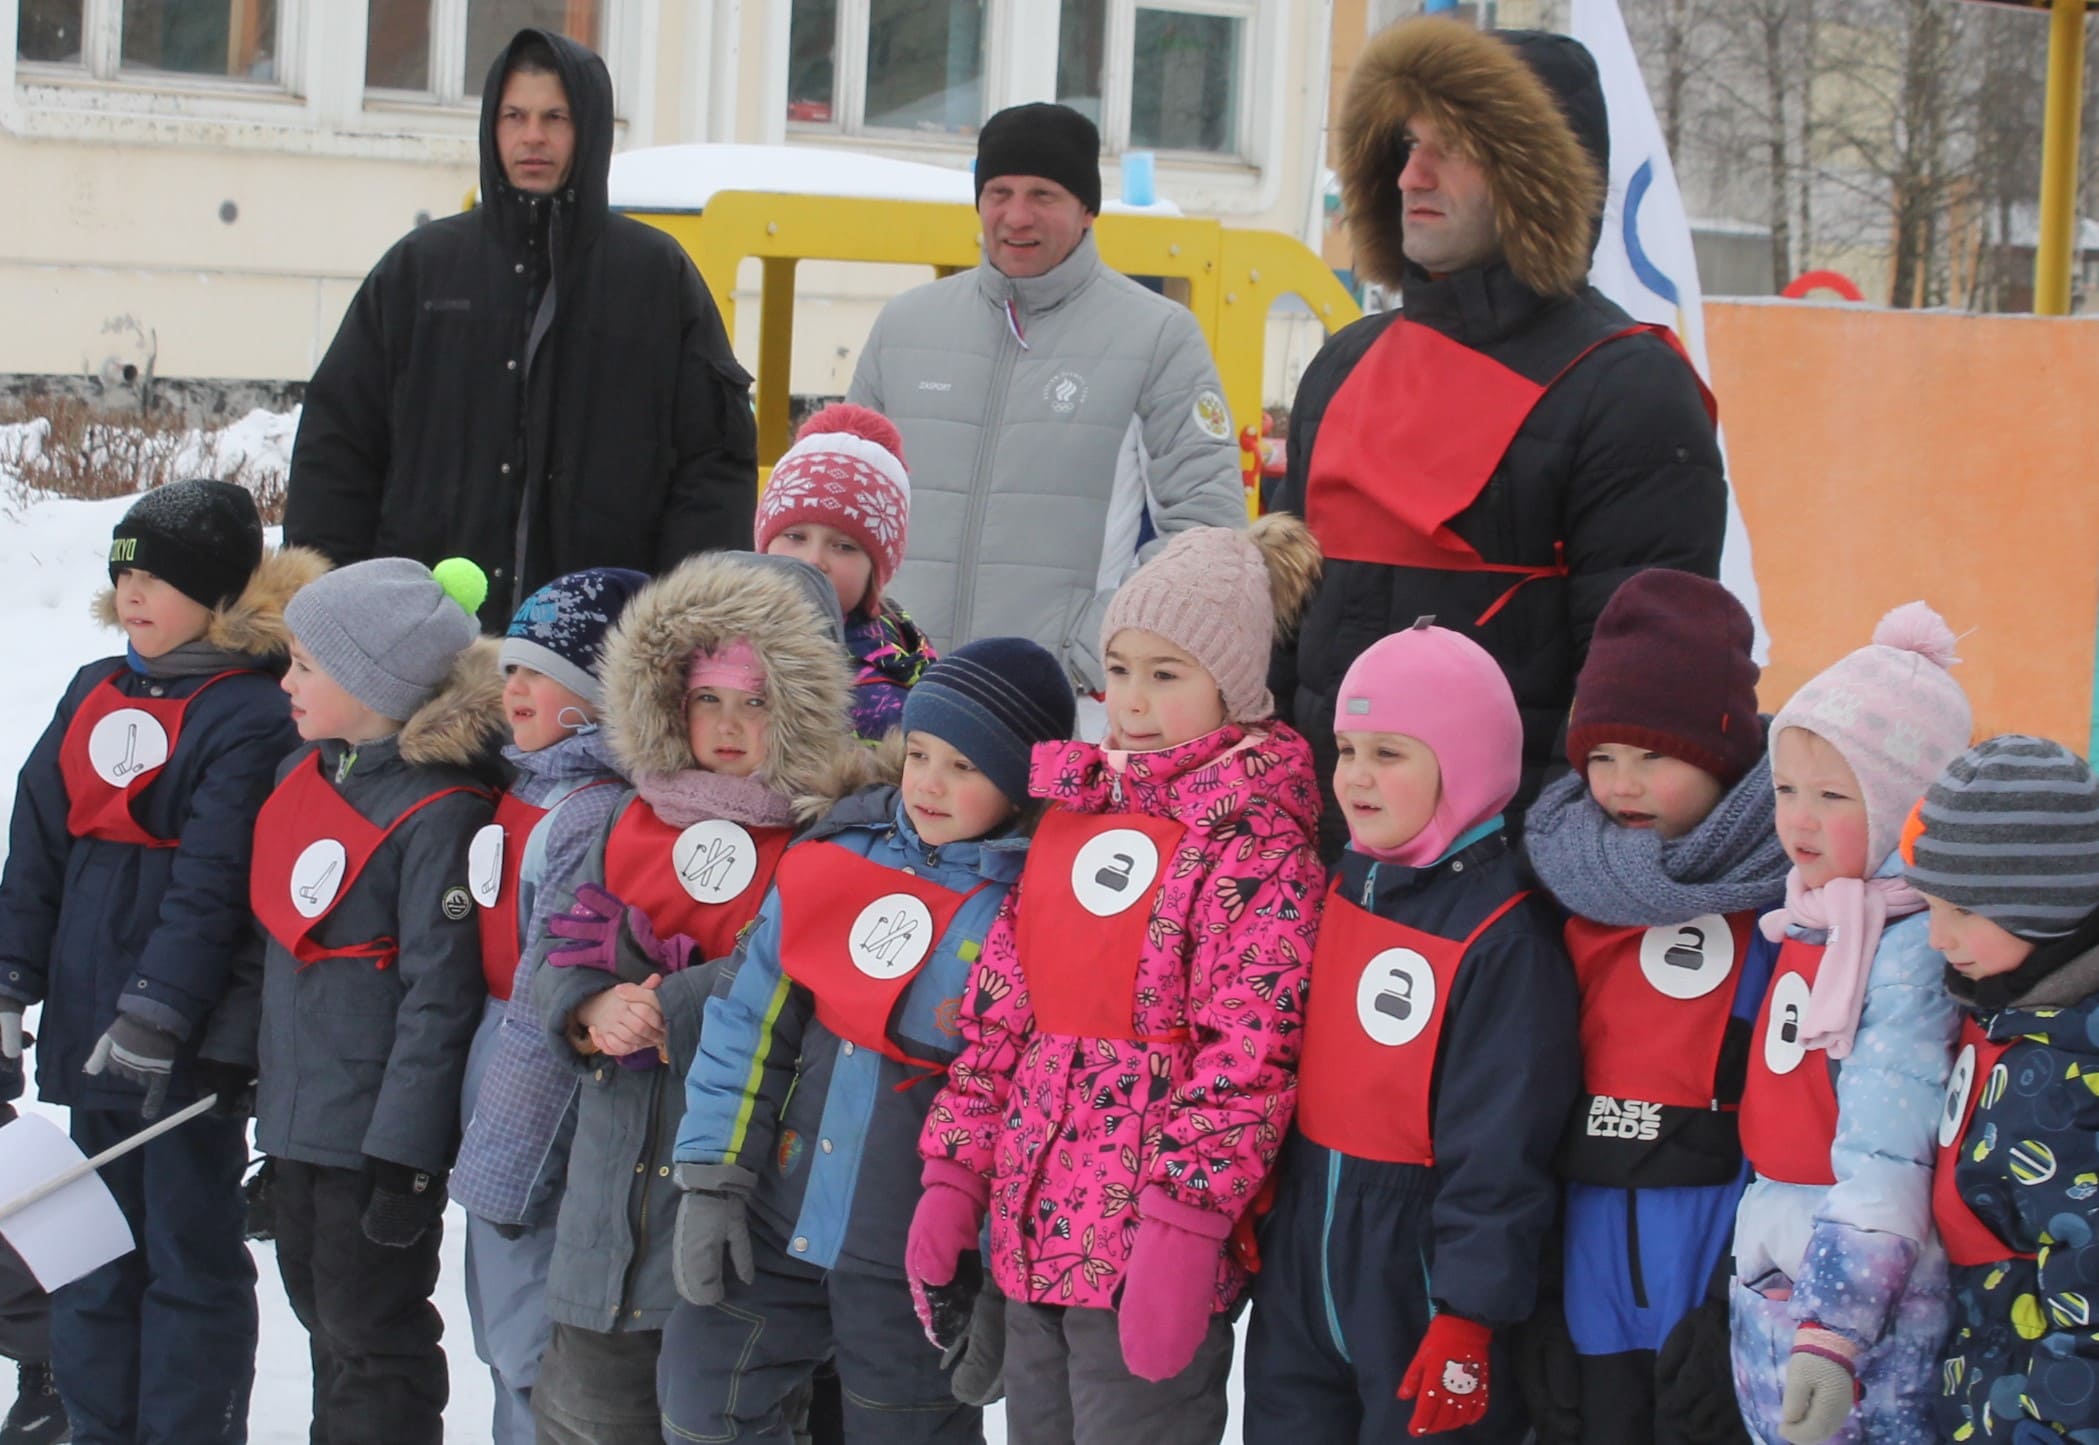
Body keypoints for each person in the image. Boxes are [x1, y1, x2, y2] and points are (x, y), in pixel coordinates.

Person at [906, 516, 1326, 1444]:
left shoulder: (1254, 845)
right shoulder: (1077, 815)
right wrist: (956, 1175)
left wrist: (1183, 1227)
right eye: (1121, 668)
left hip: (1146, 1244)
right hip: (1031, 1228)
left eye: (1166, 674)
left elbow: (1249, 1055)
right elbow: (1002, 1013)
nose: (1132, 700)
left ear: (1234, 685)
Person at [1271, 17, 1725, 855]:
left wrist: (1540, 884)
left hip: (1506, 877)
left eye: (1455, 148)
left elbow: (1636, 696)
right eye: (1408, 144)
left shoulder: (1630, 388)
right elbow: (1280, 636)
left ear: (1536, 176)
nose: (1411, 175)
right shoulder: (1341, 364)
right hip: (1309, 859)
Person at [659, 637, 1076, 1443]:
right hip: (775, 1219)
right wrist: (713, 1175)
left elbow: (1029, 1107)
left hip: (912, 1255)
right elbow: (748, 1020)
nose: (929, 782)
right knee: (701, 1404)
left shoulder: (1033, 907)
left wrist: (995, 1270)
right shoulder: (837, 853)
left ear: (1021, 782)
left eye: (964, 765)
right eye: (919, 753)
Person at [522, 552, 871, 1445]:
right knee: (590, 1413)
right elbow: (557, 945)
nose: (726, 723)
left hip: (739, 1207)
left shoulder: (827, 838)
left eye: (756, 701)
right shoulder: (626, 816)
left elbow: (809, 980)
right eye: (706, 697)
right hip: (610, 1202)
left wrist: (673, 1005)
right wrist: (589, 1007)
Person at [0, 479, 321, 1442]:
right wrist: (9, 983)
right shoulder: (92, 689)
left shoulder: (252, 710)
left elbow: (216, 881)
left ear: (219, 592)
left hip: (183, 1048)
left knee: (187, 1256)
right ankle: (99, 1425)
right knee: (88, 1256)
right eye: (123, 573)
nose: (132, 592)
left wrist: (159, 1009)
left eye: (160, 577)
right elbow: (37, 846)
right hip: (87, 1028)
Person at [284, 28, 757, 631]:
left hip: (601, 640)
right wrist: (337, 613)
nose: (533, 136)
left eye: (555, 117)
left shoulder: (655, 278)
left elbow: (713, 465)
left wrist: (681, 623)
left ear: (589, 129)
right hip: (425, 634)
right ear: (492, 127)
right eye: (515, 116)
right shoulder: (421, 270)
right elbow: (338, 445)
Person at [1242, 622, 1580, 1442]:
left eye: (1388, 753)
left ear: (1462, 763)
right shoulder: (1342, 888)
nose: (1356, 775)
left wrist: (1468, 1310)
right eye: (1346, 749)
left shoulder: (1501, 936)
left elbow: (1501, 1146)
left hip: (1419, 1265)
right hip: (1306, 1249)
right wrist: (1263, 1188)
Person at [1519, 570, 1789, 1445]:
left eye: (1653, 756)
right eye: (1600, 756)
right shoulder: (1567, 887)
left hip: (1714, 1269)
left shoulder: (1781, 905)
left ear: (1721, 756)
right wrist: (1538, 1294)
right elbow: (1528, 1102)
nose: (1620, 784)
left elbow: (1792, 1117)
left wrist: (1738, 1299)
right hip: (1587, 1271)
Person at [847, 102, 1246, 693]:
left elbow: (1206, 531)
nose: (1016, 216)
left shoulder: (1157, 336)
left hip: (1055, 703)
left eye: (1043, 195)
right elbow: (839, 501)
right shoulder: (906, 325)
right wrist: (863, 643)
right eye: (999, 192)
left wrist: (1093, 651)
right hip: (898, 695)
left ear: (1087, 210)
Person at [252, 557, 505, 1443]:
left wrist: (405, 1158)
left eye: (304, 666)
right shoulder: (307, 774)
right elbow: (283, 952)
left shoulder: (441, 810)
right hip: (304, 1121)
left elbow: (439, 996)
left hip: (371, 1135)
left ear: (373, 683)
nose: (285, 683)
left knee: (371, 1332)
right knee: (321, 1318)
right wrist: (265, 1108)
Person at [1730, 604, 1972, 1445]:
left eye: (1832, 795)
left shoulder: (1906, 946)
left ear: (1907, 805)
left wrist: (1832, 1330)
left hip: (1865, 1292)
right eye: (1785, 789)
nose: (1797, 817)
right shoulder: (1810, 918)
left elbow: (1885, 1150)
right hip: (1779, 1256)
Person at [449, 567, 648, 1445]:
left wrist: (509, 1165)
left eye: (543, 671)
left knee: (529, 1336)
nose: (516, 687)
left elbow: (549, 999)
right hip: (490, 1068)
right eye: (511, 668)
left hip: (538, 1099)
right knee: (497, 1324)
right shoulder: (524, 785)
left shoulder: (589, 811)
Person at [1903, 737, 2099, 1442]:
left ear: (2045, 904)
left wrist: (2051, 1422)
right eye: (1928, 906)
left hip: (2042, 1404)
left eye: (1961, 911)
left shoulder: (2068, 1069)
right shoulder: (2000, 1011)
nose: (1935, 937)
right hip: (1985, 1378)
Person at [756, 403, 937, 740]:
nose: (813, 560)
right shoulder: (714, 648)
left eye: (843, 546)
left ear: (876, 571)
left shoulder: (894, 691)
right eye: (795, 537)